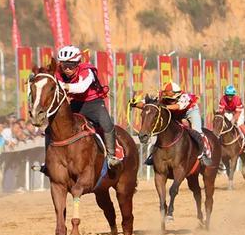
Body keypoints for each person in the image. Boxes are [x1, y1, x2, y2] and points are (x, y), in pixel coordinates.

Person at [34, 45, 121, 174]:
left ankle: (111, 156)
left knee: (106, 124)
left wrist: (64, 85)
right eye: (64, 65)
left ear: (78, 63)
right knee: (49, 129)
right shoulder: (58, 72)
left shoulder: (88, 71)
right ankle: (48, 163)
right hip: (75, 103)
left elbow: (81, 87)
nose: (67, 69)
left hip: (93, 104)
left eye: (71, 65)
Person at [132, 82, 212, 166]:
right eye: (169, 100)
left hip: (190, 112)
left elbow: (178, 106)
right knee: (164, 131)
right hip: (173, 113)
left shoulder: (184, 96)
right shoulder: (160, 95)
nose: (171, 101)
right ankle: (154, 155)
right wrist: (134, 104)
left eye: (173, 99)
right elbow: (146, 104)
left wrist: (165, 107)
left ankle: (204, 153)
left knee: (197, 130)